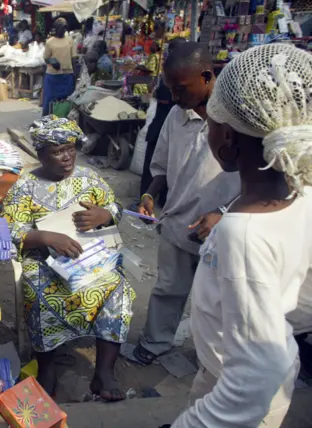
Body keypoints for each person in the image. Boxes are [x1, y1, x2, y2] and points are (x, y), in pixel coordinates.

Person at [171, 43, 312, 427]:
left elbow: (255, 378)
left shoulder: (243, 234)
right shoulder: (303, 194)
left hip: (243, 400)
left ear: (228, 139)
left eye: (212, 121)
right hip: (226, 373)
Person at [2, 116, 135, 401]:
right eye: (57, 151)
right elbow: (13, 229)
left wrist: (106, 214)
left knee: (117, 287)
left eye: (70, 148)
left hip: (90, 256)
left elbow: (114, 206)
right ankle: (47, 369)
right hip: (43, 262)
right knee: (38, 293)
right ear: (40, 154)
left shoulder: (89, 178)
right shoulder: (25, 187)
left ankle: (104, 373)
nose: (67, 157)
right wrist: (48, 237)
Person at [133, 42, 240, 365]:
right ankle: (155, 343)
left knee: (222, 301)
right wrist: (150, 193)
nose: (175, 98)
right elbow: (162, 166)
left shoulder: (237, 119)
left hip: (226, 229)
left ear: (207, 77)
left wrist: (222, 215)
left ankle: (218, 361)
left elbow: (259, 180)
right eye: (170, 89)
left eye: (180, 89)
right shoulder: (175, 117)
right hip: (179, 223)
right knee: (168, 289)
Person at [139, 38, 186, 204]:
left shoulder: (172, 73)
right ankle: (160, 199)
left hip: (161, 126)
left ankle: (147, 197)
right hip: (172, 128)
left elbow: (162, 97)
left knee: (153, 165)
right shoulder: (179, 73)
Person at [42, 18, 76, 116]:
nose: (64, 30)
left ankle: (63, 119)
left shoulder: (70, 41)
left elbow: (73, 58)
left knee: (66, 99)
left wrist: (74, 74)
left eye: (65, 28)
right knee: (49, 99)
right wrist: (53, 62)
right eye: (62, 28)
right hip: (53, 76)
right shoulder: (50, 42)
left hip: (67, 75)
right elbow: (46, 58)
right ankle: (46, 120)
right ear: (56, 28)